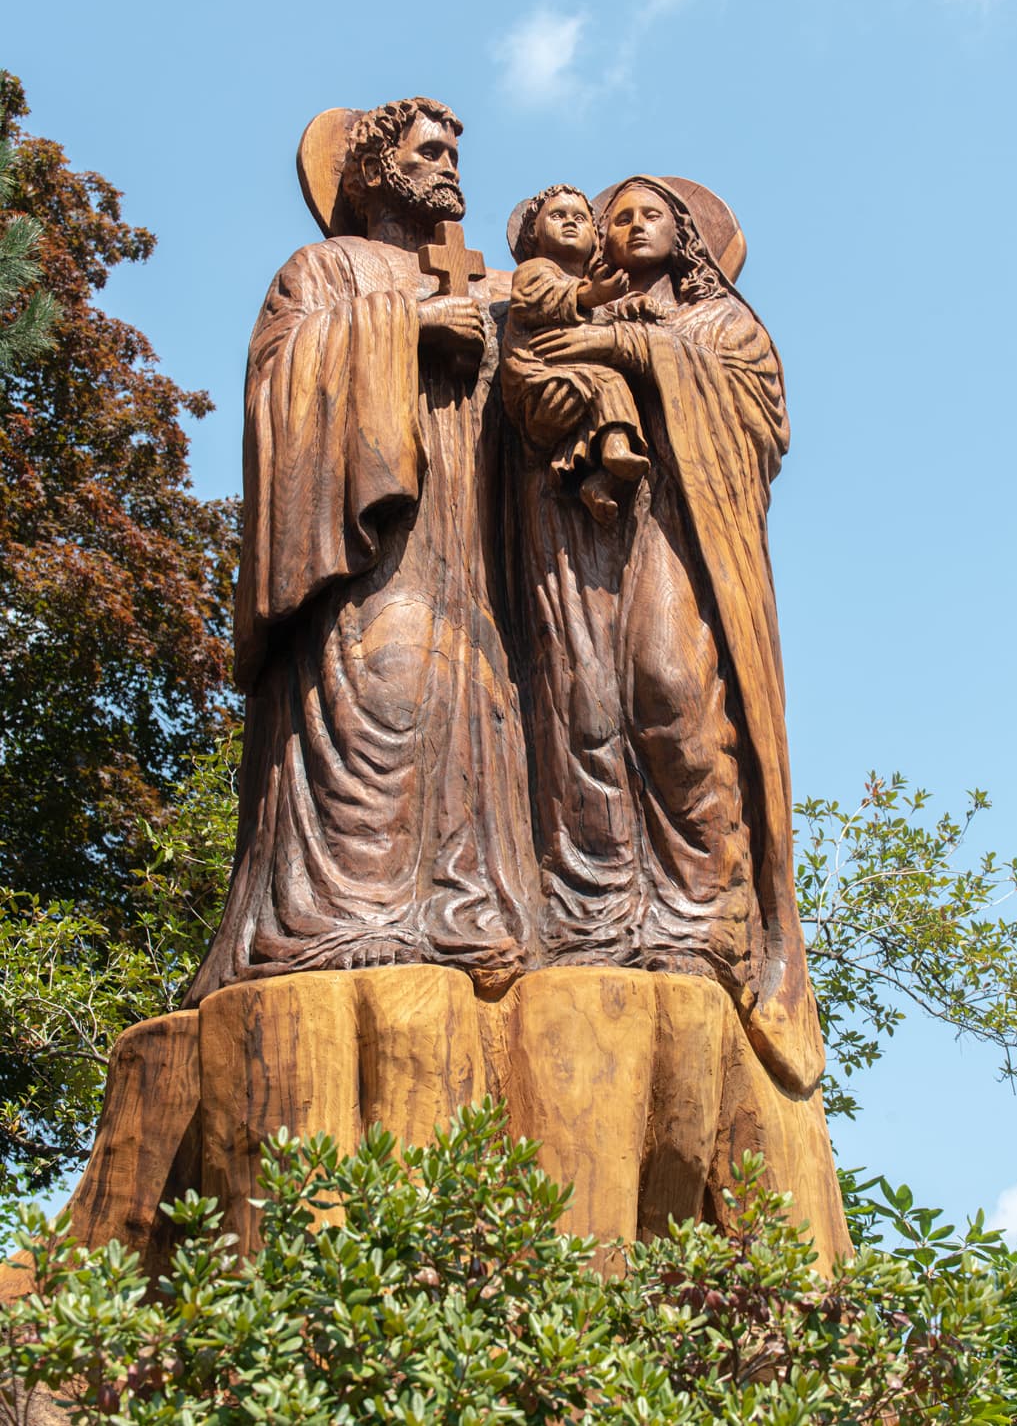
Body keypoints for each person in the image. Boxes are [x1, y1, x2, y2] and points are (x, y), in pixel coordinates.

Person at [185, 98, 539, 1005]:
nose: (451, 165)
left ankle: (466, 910)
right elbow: (282, 380)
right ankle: (346, 912)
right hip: (373, 545)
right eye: (430, 150)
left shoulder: (483, 281)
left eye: (458, 150)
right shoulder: (323, 267)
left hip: (473, 545)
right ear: (376, 170)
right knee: (382, 687)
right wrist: (406, 328)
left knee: (471, 707)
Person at [512, 174, 824, 1094]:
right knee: (589, 708)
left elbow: (761, 422)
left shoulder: (724, 322)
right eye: (617, 217)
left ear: (686, 231)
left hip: (688, 531)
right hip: (590, 535)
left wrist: (630, 347)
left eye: (649, 213)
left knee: (673, 690)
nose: (628, 225)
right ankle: (604, 902)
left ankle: (710, 913)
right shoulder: (577, 302)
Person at [501, 184, 649, 525]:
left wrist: (633, 304)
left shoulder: (593, 285)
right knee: (604, 382)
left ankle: (601, 481)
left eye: (580, 218)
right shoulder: (535, 270)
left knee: (609, 386)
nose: (570, 223)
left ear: (596, 239)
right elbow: (535, 300)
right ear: (531, 234)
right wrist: (590, 295)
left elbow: (610, 312)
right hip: (536, 384)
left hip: (578, 389)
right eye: (557, 215)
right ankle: (612, 451)